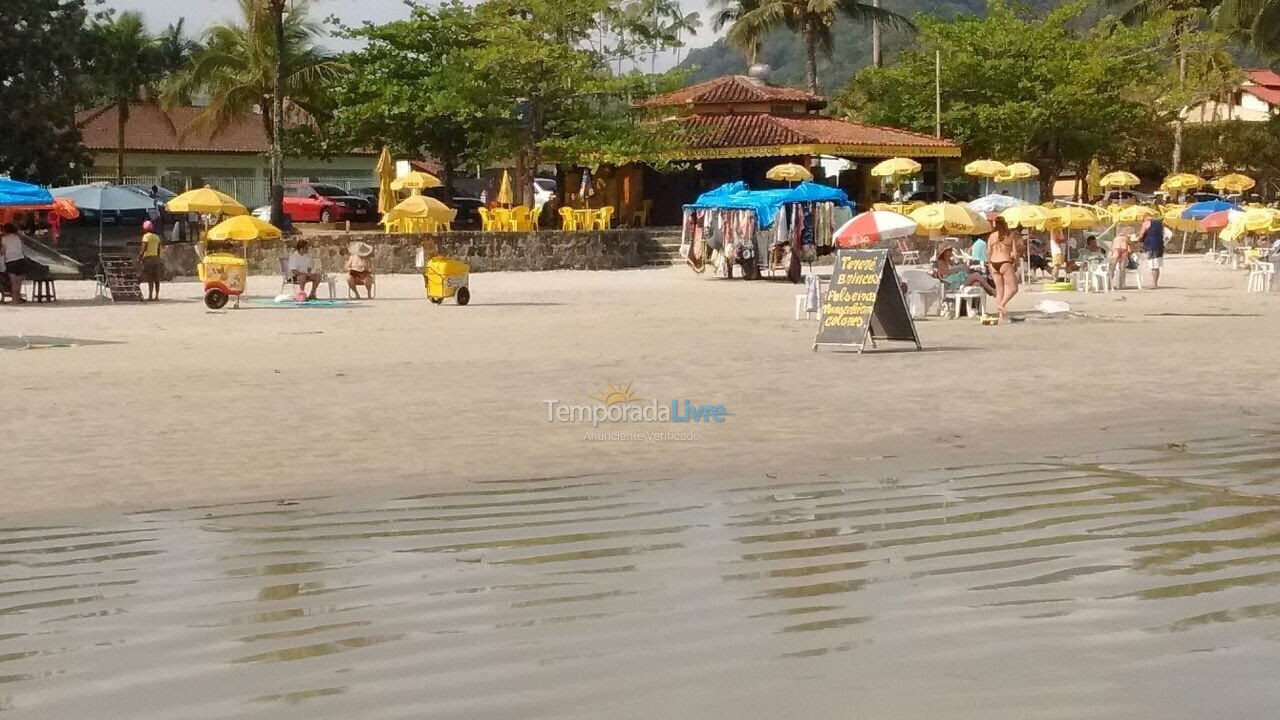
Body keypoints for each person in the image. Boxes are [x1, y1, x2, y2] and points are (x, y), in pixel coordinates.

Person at [987, 217, 1020, 322]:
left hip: (993, 263)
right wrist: (1016, 263)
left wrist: (989, 264)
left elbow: (988, 252)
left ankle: (1001, 316)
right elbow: (1015, 253)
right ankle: (1002, 305)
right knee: (1014, 288)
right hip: (1005, 262)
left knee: (1000, 290)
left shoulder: (991, 236)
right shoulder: (1009, 235)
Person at [1, 223, 30, 303]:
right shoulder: (18, 237)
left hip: (10, 261)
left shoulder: (4, 239)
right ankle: (18, 297)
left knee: (13, 282)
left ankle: (15, 299)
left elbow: (3, 250)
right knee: (19, 282)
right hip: (20, 259)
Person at [1137, 216, 1167, 289]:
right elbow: (1164, 234)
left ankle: (1154, 285)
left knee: (1153, 266)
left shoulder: (1146, 223)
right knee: (1156, 266)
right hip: (1159, 246)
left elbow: (1141, 235)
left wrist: (1137, 238)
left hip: (1151, 246)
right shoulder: (1160, 224)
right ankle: (1155, 283)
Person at [139, 221, 163, 301]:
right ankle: (156, 296)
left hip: (148, 259)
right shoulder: (157, 237)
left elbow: (143, 249)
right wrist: (158, 258)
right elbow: (159, 250)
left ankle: (150, 296)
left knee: (150, 278)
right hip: (156, 258)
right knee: (156, 279)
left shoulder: (146, 237)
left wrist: (140, 258)